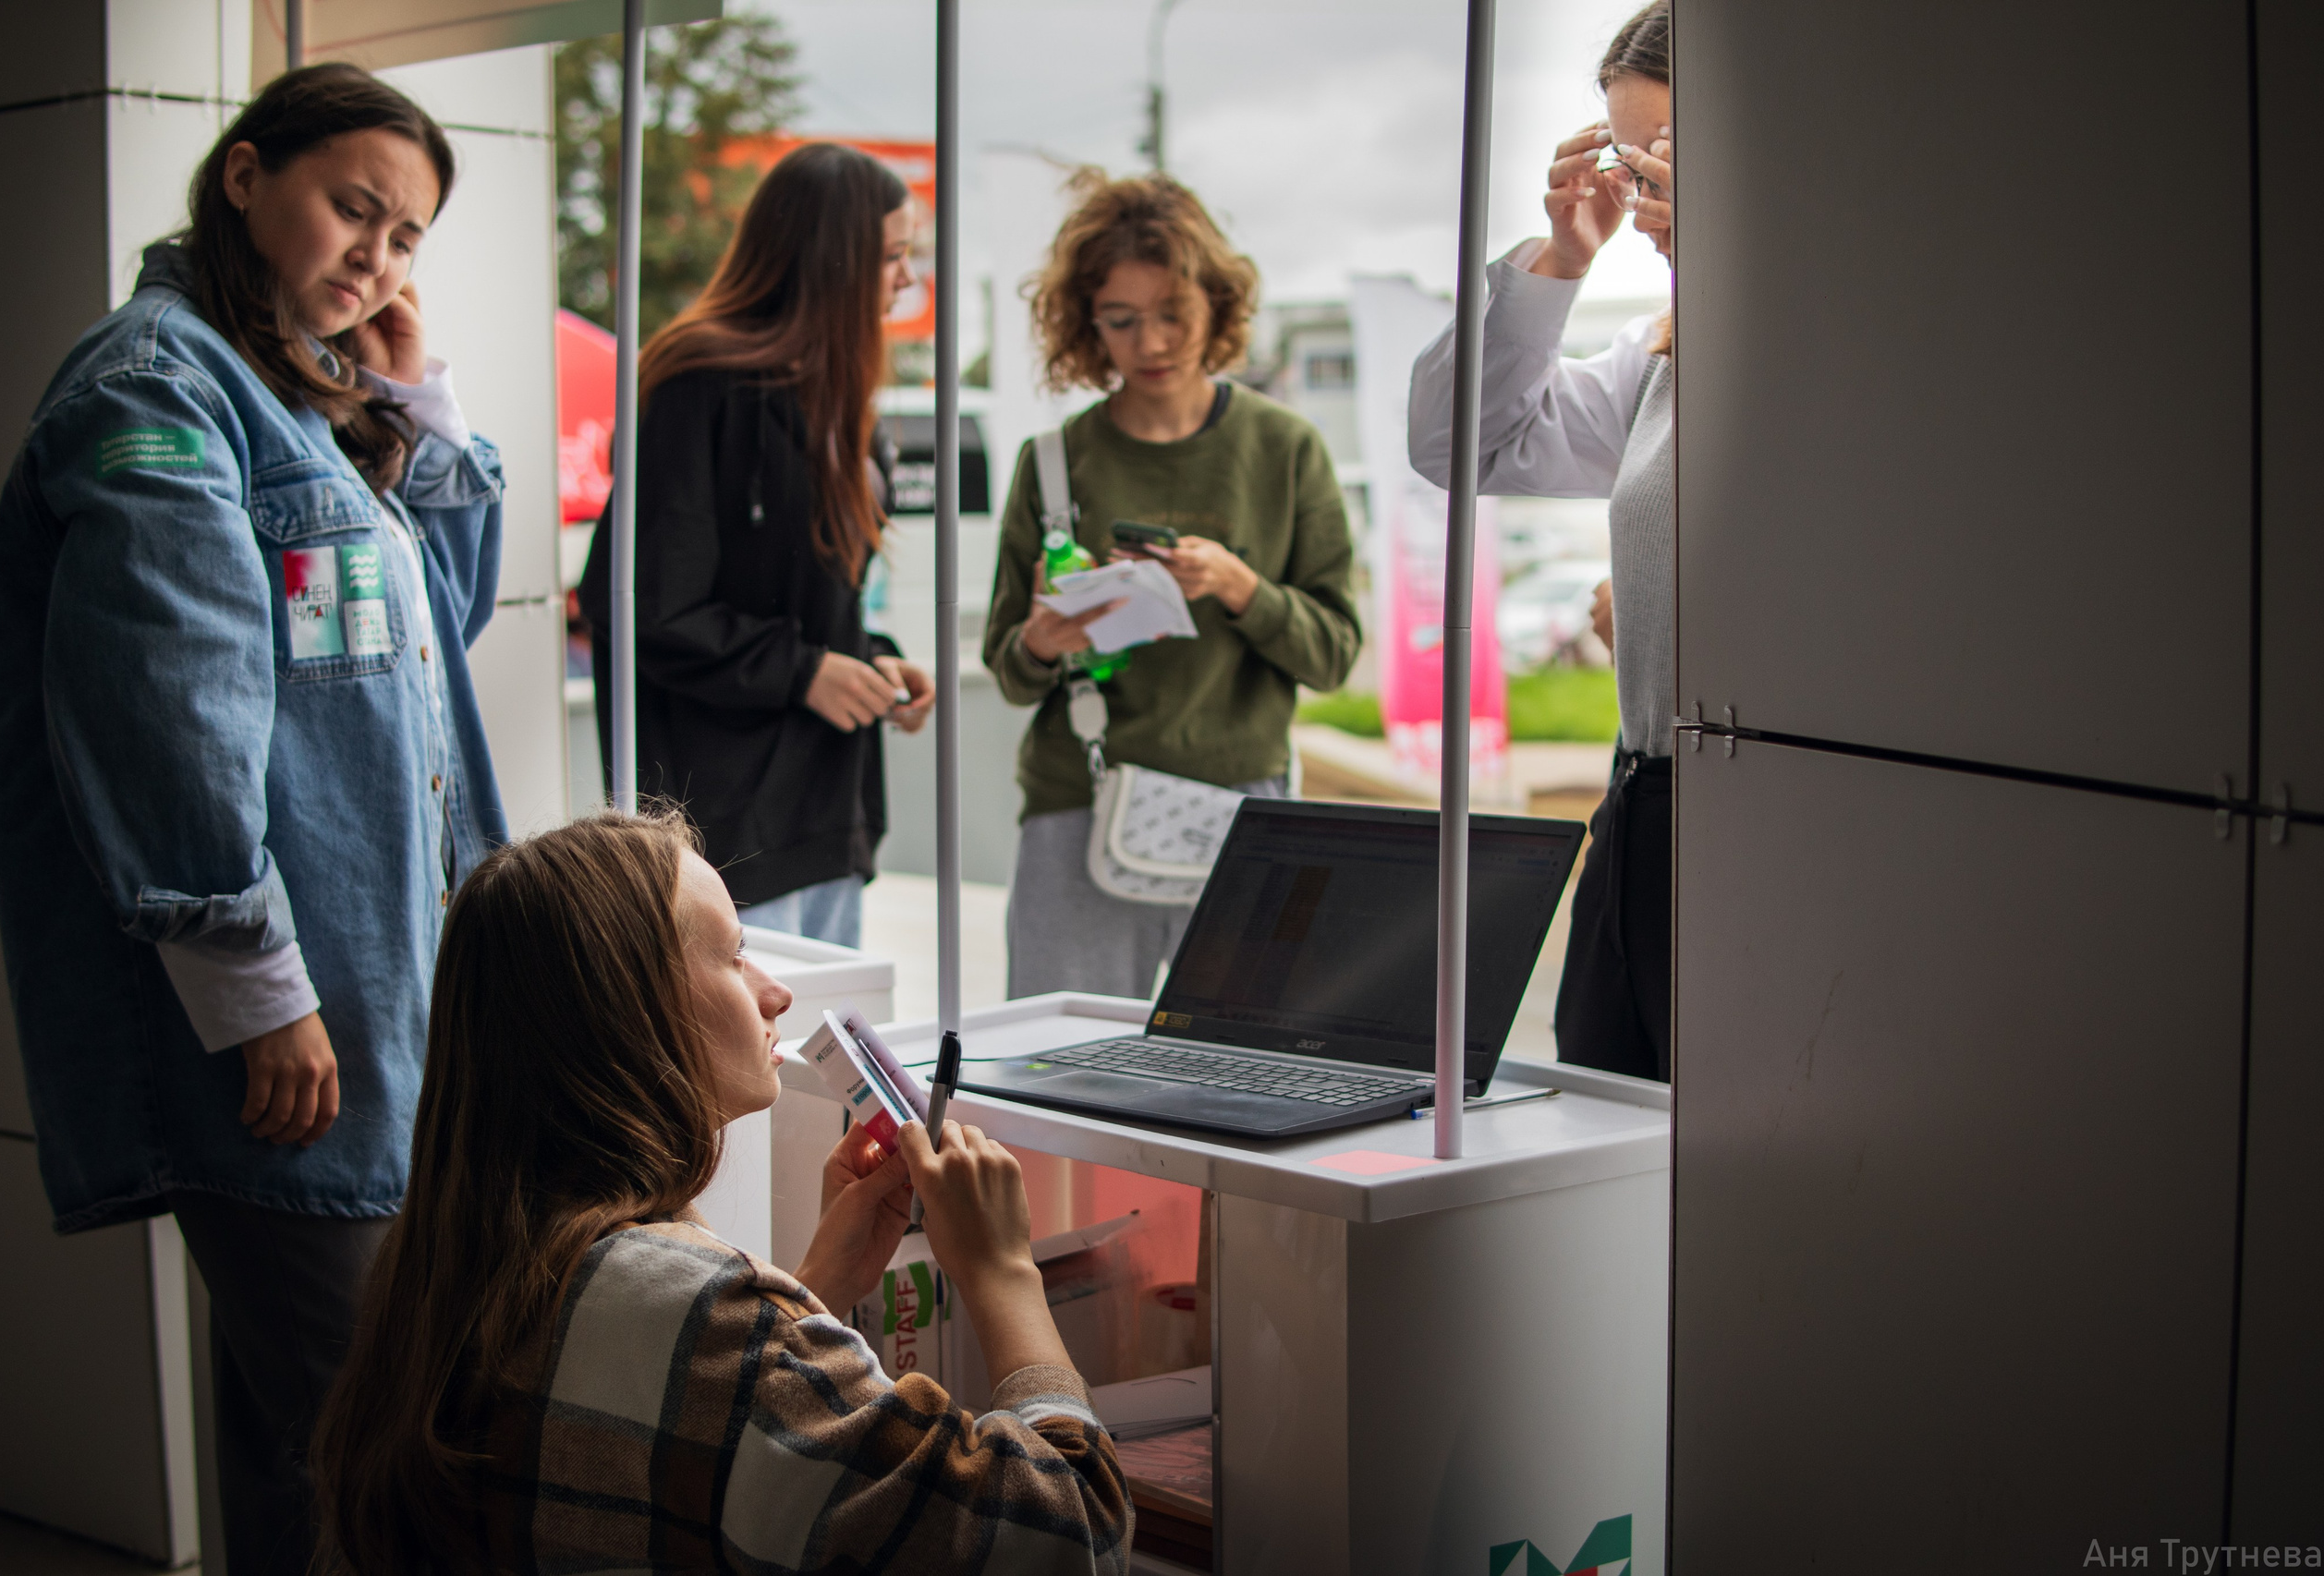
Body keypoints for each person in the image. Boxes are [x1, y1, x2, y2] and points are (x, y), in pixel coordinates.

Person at [0, 65, 505, 1574]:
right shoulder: (156, 389)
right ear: (244, 176)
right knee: (380, 1433)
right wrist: (256, 985)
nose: (378, 257)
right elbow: (166, 712)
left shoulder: (295, 400)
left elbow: (438, 628)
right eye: (356, 207)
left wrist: (417, 402)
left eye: (406, 236)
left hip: (367, 1004)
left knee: (300, 1445)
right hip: (285, 1015)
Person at [310, 812, 1132, 1573]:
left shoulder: (444, 1273)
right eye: (735, 956)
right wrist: (1001, 1272)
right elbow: (1074, 1536)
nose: (775, 994)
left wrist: (817, 1290)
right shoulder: (721, 1329)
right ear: (629, 1010)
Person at [985, 171, 1360, 999]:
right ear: (1086, 327)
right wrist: (1045, 638)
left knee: (1242, 1081)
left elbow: (1334, 653)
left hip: (1242, 807)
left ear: (1217, 309)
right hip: (1078, 800)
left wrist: (1238, 585)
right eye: (1120, 321)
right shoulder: (1053, 463)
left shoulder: (1285, 448)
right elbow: (1007, 669)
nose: (1150, 343)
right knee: (1060, 1078)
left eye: (1172, 316)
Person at [1406, 0, 1675, 1084]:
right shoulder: (1657, 355)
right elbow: (1463, 444)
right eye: (1628, 159)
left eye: (1663, 161)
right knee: (1604, 1111)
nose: (1641, 194)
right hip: (1644, 804)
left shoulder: (1850, 334)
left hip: (1760, 813)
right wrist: (1560, 257)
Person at [581, 143, 933, 950]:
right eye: (891, 257)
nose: (906, 281)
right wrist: (806, 671)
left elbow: (791, 599)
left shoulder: (842, 405)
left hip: (827, 811)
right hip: (727, 830)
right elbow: (639, 601)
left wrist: (867, 660)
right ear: (831, 261)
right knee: (754, 1067)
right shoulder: (700, 386)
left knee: (822, 1065)